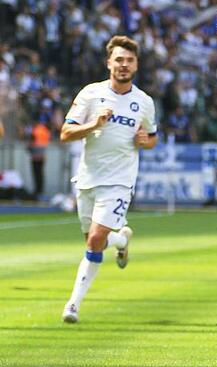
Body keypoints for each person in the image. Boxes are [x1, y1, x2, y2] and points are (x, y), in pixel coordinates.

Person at [59, 35, 158, 323]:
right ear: (109, 63)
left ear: (136, 65)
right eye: (119, 60)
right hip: (87, 179)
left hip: (119, 181)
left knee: (94, 240)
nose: (123, 65)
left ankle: (73, 304)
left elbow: (151, 137)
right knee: (96, 242)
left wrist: (145, 140)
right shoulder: (91, 94)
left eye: (129, 60)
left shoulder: (144, 102)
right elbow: (65, 133)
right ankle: (121, 239)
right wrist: (93, 124)